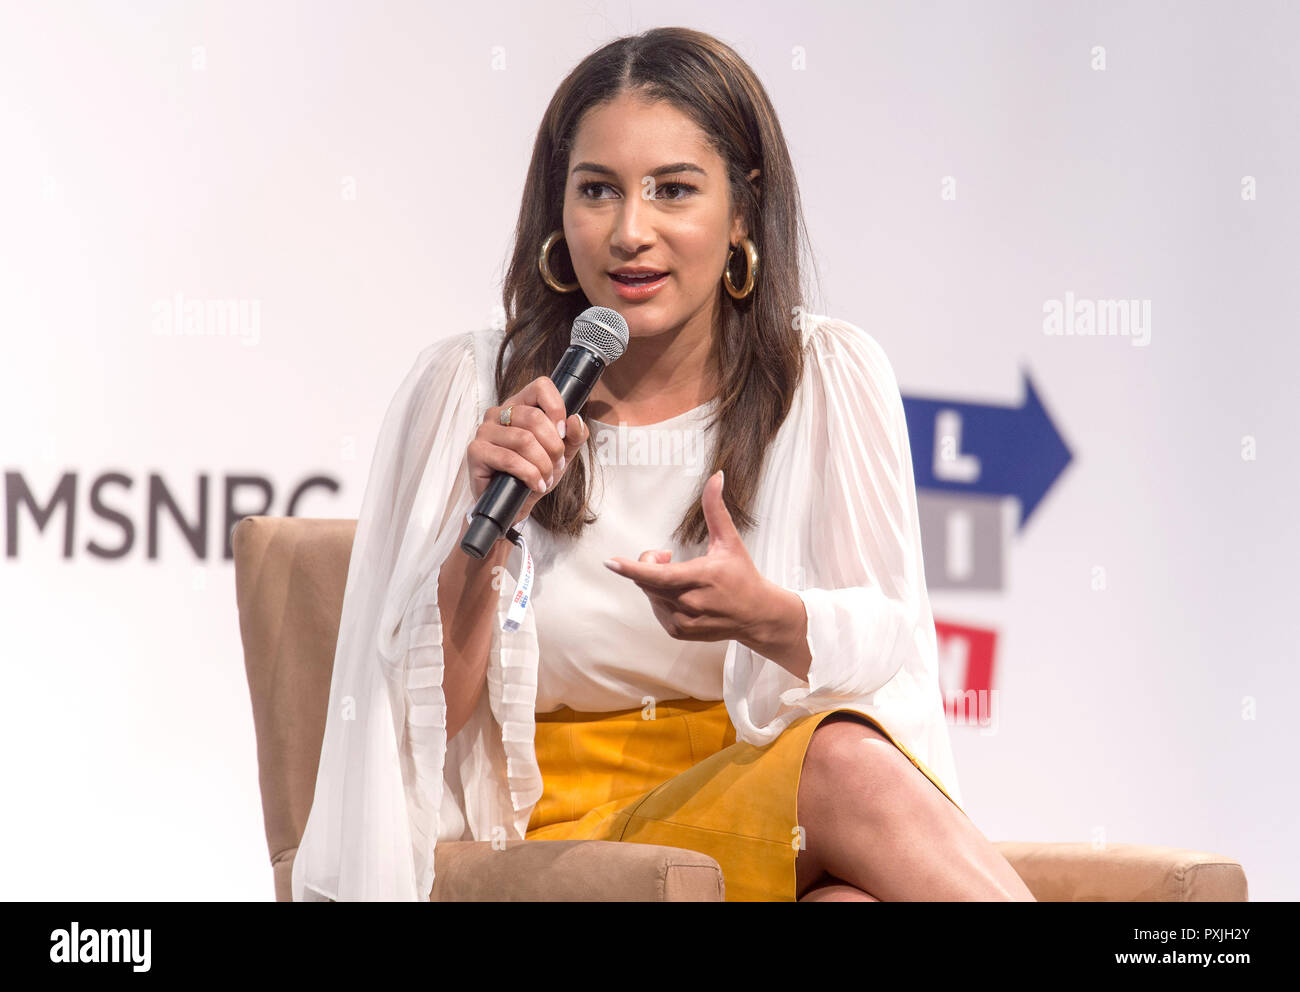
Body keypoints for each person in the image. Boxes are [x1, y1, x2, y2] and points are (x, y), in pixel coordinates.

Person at [292, 26, 1034, 902]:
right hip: (560, 840)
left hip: (755, 805)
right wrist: (486, 538)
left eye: (673, 191)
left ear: (743, 211)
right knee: (840, 765)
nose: (630, 233)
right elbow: (420, 727)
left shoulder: (825, 376)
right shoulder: (470, 389)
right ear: (555, 213)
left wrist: (769, 616)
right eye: (597, 191)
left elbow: (890, 641)